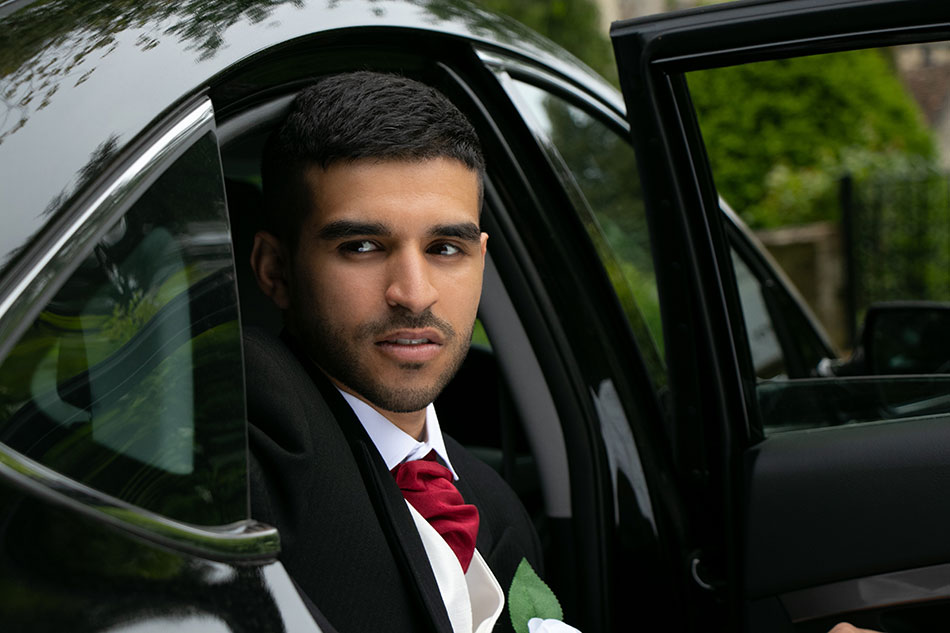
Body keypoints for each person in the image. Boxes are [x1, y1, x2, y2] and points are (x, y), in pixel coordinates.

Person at [246, 71, 544, 633]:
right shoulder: (246, 477)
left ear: (481, 258)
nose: (414, 294)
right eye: (361, 246)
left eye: (444, 248)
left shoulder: (496, 505)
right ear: (275, 270)